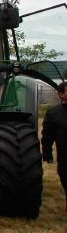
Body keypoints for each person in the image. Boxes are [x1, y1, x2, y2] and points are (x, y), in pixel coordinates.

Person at [42, 81, 67, 212]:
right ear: (61, 94)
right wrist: (47, 154)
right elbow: (47, 136)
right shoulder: (54, 114)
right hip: (64, 158)